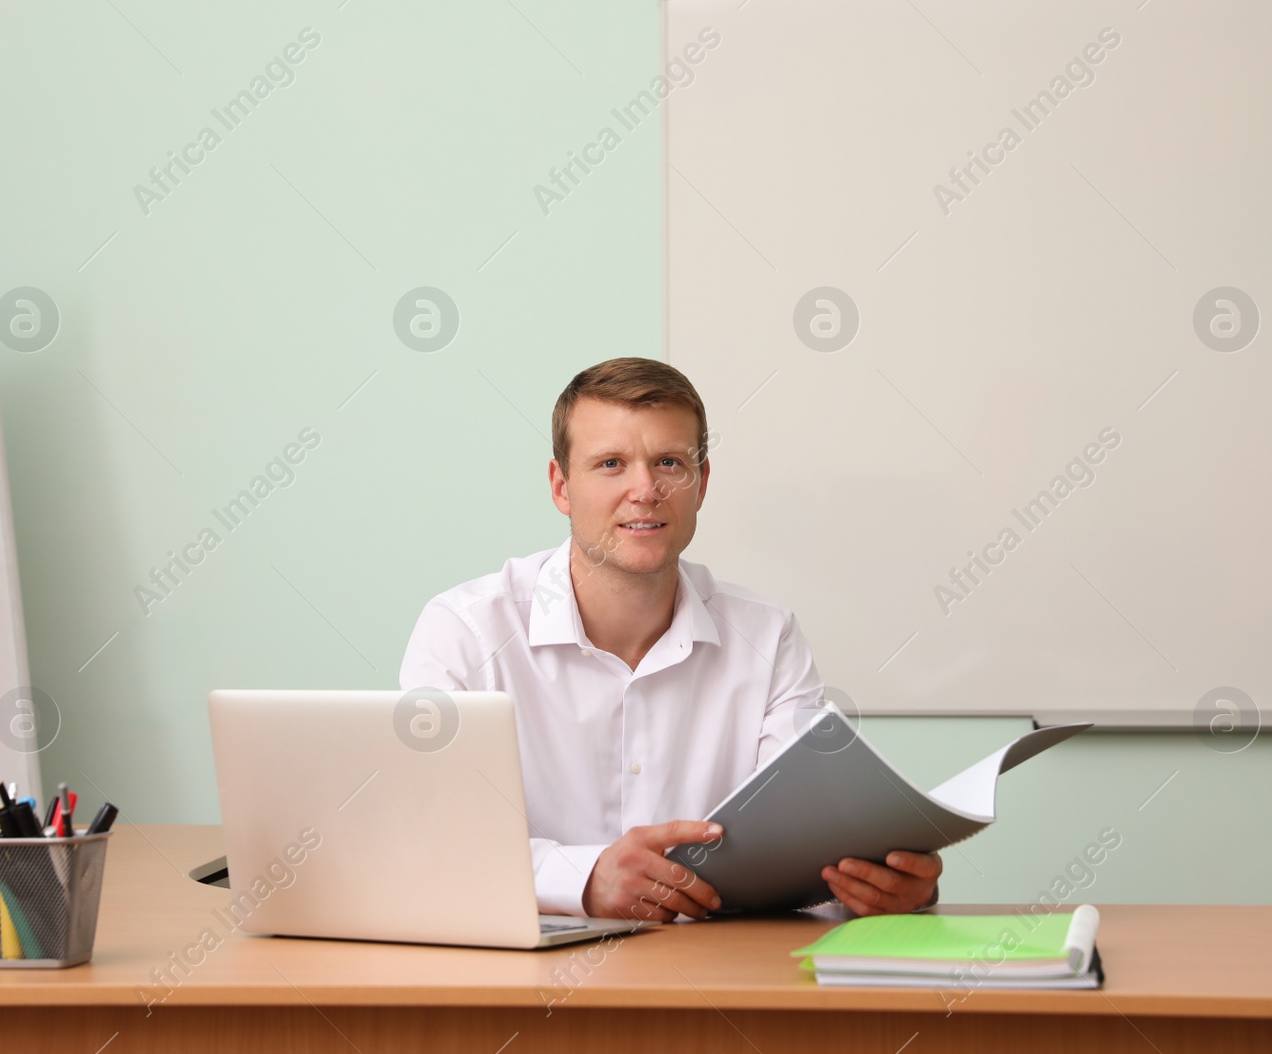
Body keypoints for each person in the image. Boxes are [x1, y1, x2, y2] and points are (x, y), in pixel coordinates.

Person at [399, 357, 940, 921]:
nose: (645, 489)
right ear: (561, 487)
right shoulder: (464, 631)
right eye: (611, 463)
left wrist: (895, 889)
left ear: (701, 484)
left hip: (715, 983)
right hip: (521, 991)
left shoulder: (766, 636)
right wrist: (584, 879)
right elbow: (429, 842)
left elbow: (807, 843)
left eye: (669, 463)